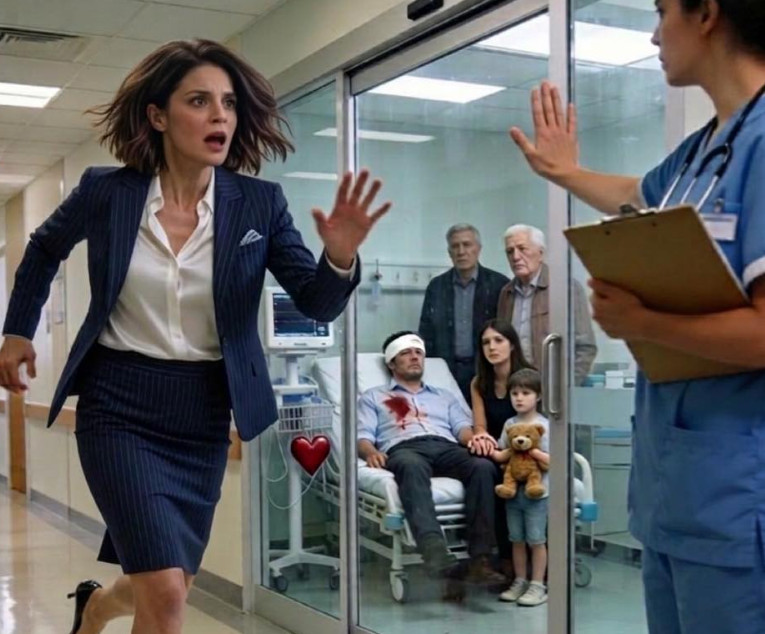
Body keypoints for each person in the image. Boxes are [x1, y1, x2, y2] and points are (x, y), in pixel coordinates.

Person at [0, 39, 391, 634]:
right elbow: (45, 247)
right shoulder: (108, 192)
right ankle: (103, 606)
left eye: (228, 103)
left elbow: (315, 302)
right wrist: (16, 330)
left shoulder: (258, 204)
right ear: (158, 116)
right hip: (118, 405)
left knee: (171, 584)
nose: (220, 116)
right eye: (200, 101)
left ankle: (96, 606)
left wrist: (338, 258)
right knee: (166, 595)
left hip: (202, 414)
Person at [509, 1, 765, 632]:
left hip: (737, 497)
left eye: (661, 10)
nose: (654, 34)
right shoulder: (703, 151)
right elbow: (636, 195)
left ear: (707, 13)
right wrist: (566, 172)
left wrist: (643, 324)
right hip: (677, 491)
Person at [356, 331, 505, 585]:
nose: (415, 357)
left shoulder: (444, 396)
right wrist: (371, 453)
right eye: (406, 353)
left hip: (446, 446)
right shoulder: (374, 396)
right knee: (411, 466)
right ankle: (434, 551)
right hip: (405, 448)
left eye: (418, 353)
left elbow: (462, 429)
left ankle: (481, 559)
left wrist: (475, 441)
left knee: (482, 466)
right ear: (392, 363)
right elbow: (363, 436)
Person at [468, 319, 534, 573]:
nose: (492, 347)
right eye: (486, 342)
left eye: (498, 340)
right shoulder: (479, 382)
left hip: (525, 447)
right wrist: (482, 438)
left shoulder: (528, 378)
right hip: (496, 449)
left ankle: (531, 561)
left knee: (516, 476)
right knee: (484, 469)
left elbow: (533, 427)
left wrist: (507, 453)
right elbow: (480, 425)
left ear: (512, 344)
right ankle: (500, 559)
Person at [418, 224, 509, 403]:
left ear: (478, 249)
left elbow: (507, 332)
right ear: (449, 252)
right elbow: (426, 333)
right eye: (455, 246)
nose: (461, 251)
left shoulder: (499, 285)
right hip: (445, 371)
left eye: (467, 245)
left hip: (487, 370)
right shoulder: (436, 287)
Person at [496, 224, 596, 386]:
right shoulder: (506, 293)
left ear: (541, 253)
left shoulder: (565, 288)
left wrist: (564, 387)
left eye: (522, 249)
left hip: (553, 391)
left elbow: (585, 347)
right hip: (517, 390)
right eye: (510, 251)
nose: (515, 257)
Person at [490, 368, 549, 607]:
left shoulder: (543, 426)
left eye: (526, 393)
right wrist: (492, 450)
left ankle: (538, 584)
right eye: (514, 393)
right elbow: (503, 452)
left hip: (537, 493)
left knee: (536, 539)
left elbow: (552, 460)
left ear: (538, 396)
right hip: (513, 493)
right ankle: (520, 580)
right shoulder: (510, 424)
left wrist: (531, 451)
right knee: (516, 539)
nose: (519, 398)